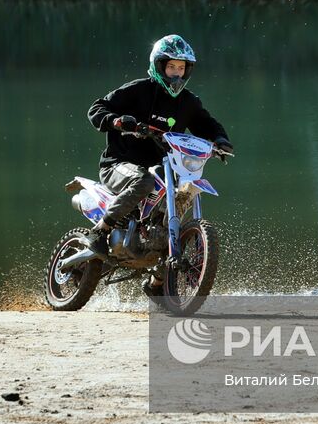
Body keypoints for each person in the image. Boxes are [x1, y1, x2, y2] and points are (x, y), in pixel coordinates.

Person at [84, 34, 233, 260]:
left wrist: (220, 141)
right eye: (171, 66)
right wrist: (116, 121)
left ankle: (159, 279)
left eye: (181, 67)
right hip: (119, 163)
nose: (176, 72)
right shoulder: (139, 90)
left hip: (162, 168)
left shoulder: (188, 102)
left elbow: (206, 124)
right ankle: (100, 230)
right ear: (159, 66)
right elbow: (97, 108)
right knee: (144, 181)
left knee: (183, 192)